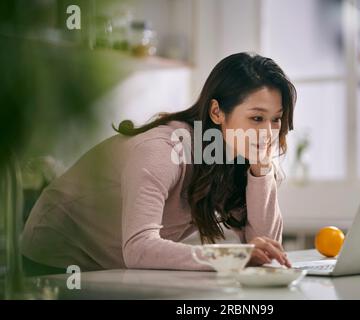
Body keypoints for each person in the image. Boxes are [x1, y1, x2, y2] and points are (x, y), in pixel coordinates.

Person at [20, 52, 297, 276]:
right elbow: (139, 248)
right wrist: (234, 256)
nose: (269, 133)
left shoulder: (234, 158)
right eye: (257, 118)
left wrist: (261, 170)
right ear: (216, 112)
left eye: (276, 119)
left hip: (117, 264)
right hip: (57, 254)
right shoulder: (164, 149)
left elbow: (266, 250)